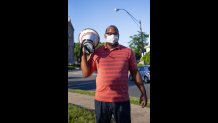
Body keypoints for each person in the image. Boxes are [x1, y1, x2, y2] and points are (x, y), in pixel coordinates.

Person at [81, 25, 147, 123]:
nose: (112, 35)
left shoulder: (128, 52)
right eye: (109, 33)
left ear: (118, 35)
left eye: (115, 33)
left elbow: (135, 73)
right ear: (105, 35)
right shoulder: (96, 52)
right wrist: (83, 54)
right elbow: (86, 73)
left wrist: (143, 93)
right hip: (101, 100)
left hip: (122, 100)